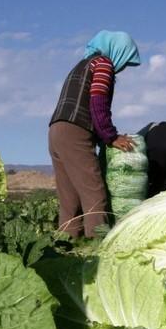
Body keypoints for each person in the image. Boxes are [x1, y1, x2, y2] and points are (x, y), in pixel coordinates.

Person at [48, 30, 141, 238]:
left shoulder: (81, 65)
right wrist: (111, 136)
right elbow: (97, 102)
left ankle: (66, 247)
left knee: (69, 199)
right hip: (75, 131)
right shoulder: (103, 64)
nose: (123, 67)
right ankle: (96, 250)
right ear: (118, 51)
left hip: (56, 131)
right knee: (95, 193)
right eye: (126, 61)